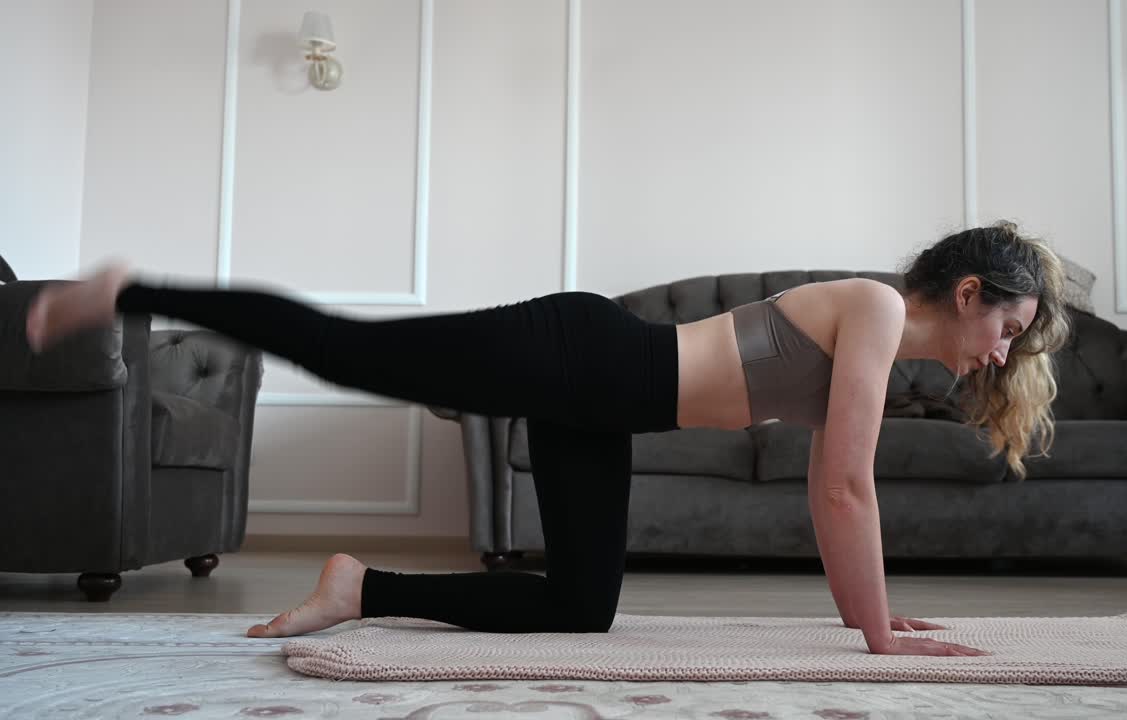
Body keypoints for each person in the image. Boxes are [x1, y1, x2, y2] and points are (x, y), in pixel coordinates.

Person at [24, 220, 1068, 658]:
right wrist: (878, 633)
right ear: (969, 292)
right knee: (352, 351)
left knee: (578, 611)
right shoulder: (879, 312)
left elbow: (837, 489)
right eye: (1004, 331)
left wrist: (871, 619)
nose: (995, 354)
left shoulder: (876, 340)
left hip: (598, 403)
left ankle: (360, 587)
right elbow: (842, 491)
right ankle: (130, 292)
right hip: (577, 355)